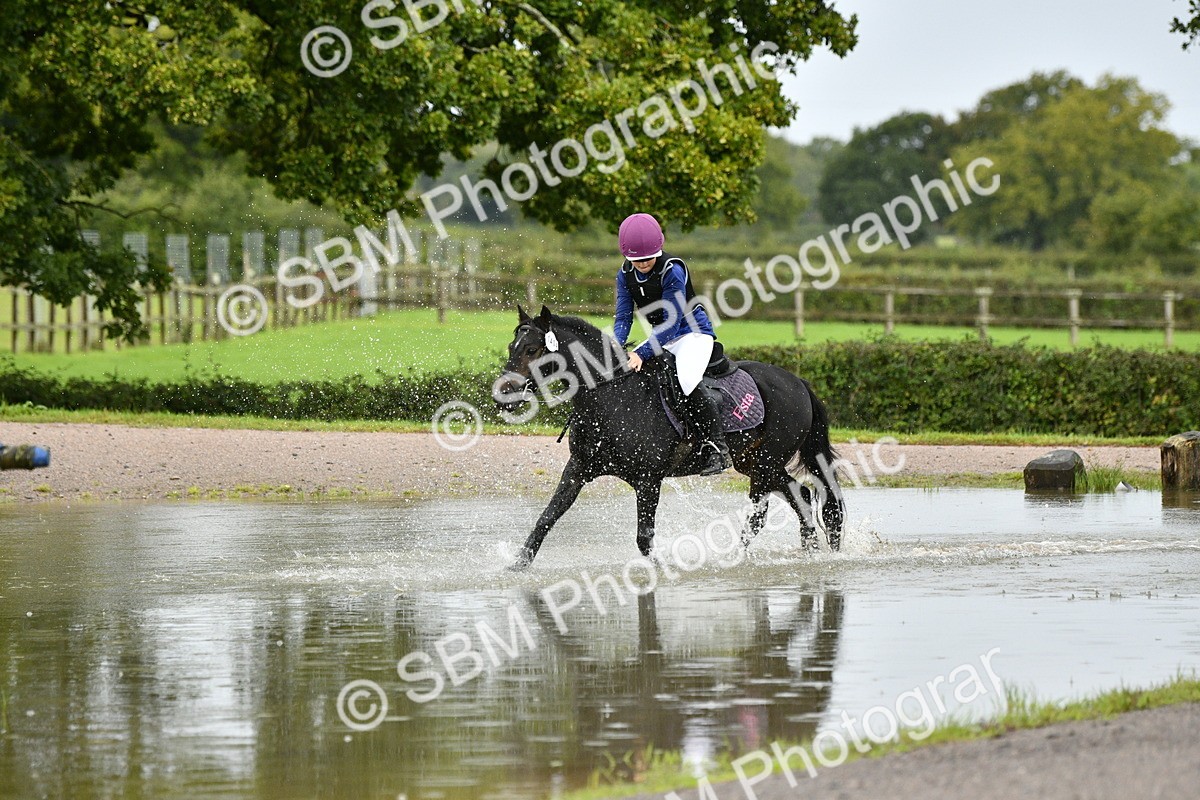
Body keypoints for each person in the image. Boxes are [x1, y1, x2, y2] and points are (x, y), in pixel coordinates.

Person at [613, 213, 732, 476]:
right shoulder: (624, 274)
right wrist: (616, 348)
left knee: (687, 380)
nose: (642, 263)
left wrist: (642, 352)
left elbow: (673, 321)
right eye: (637, 260)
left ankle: (717, 448)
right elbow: (623, 317)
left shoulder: (672, 270)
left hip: (692, 332)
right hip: (662, 334)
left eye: (647, 257)